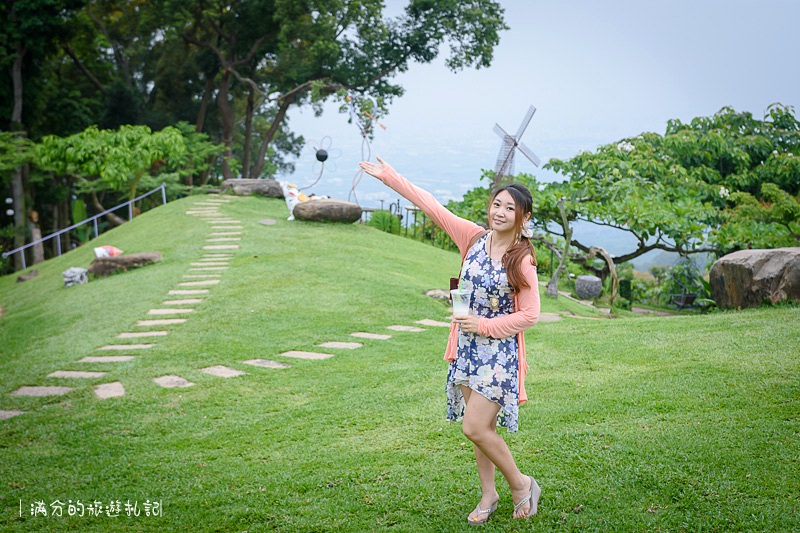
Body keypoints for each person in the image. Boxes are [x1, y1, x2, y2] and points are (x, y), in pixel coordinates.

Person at [359, 156, 542, 524]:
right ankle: (488, 495)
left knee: (474, 427)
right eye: (497, 204)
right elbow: (431, 205)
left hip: (497, 354)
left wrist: (484, 325)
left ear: (523, 219)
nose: (500, 212)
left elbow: (530, 314)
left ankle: (522, 484)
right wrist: (390, 177)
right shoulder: (472, 237)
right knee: (482, 430)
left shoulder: (521, 259)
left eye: (510, 208)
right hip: (467, 350)